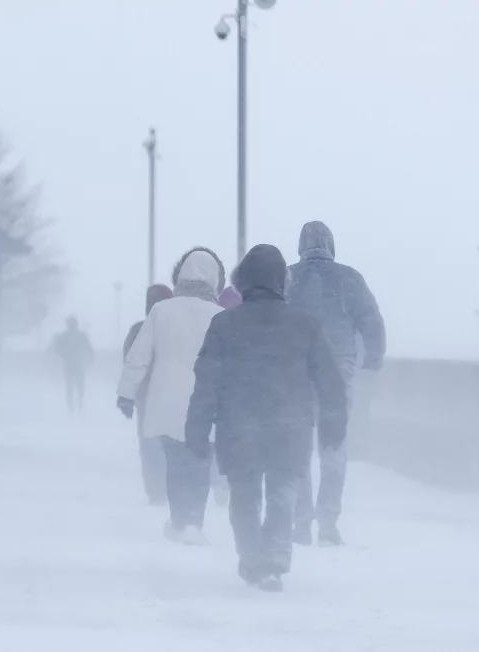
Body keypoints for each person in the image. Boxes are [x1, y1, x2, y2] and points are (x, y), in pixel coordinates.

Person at [185, 244, 347, 592]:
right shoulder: (304, 324)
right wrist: (334, 425)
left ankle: (251, 557)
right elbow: (330, 381)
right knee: (282, 492)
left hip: (238, 425)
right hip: (289, 425)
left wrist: (197, 429)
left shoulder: (224, 324)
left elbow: (207, 382)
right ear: (281, 281)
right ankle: (274, 558)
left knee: (244, 493)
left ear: (242, 280)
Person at [287, 221, 386, 546]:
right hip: (336, 373)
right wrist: (372, 359)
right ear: (331, 245)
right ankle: (328, 522)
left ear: (301, 245)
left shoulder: (289, 278)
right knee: (333, 448)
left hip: (296, 373)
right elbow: (371, 320)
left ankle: (301, 522)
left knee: (298, 449)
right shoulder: (349, 279)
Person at [117, 248, 225, 545]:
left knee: (175, 462)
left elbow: (138, 357)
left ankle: (179, 520)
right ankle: (195, 522)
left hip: (166, 399)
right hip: (205, 401)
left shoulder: (161, 311)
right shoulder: (220, 316)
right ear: (215, 280)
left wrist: (126, 394)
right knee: (200, 462)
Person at [122, 284, 174, 504]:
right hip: (173, 394)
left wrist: (129, 393)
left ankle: (155, 489)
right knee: (172, 443)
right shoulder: (176, 328)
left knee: (149, 443)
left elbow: (130, 363)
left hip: (147, 396)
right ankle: (172, 486)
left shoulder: (138, 330)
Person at [53, 316, 94, 413]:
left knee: (76, 386)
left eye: (72, 324)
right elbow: (57, 348)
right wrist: (63, 354)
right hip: (72, 364)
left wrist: (91, 357)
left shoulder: (78, 335)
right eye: (70, 324)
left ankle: (77, 406)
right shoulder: (66, 336)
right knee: (72, 387)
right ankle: (73, 407)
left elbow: (89, 348)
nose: (72, 326)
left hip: (76, 364)